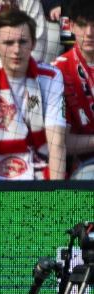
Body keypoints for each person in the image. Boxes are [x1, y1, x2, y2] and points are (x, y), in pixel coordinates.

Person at [0, 9, 65, 180]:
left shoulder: (52, 77)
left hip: (39, 168)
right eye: (9, 43)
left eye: (23, 41)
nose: (16, 50)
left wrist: (55, 196)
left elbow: (57, 145)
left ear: (33, 43)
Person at [53, 0, 94, 179]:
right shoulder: (58, 71)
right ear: (70, 26)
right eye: (82, 25)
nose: (89, 33)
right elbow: (61, 143)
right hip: (87, 165)